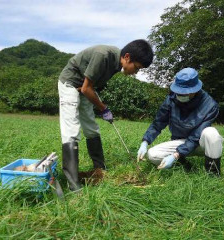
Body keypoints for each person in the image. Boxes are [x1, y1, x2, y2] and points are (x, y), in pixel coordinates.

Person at [58, 39, 154, 191]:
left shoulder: (117, 64)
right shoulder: (102, 56)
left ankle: (100, 170)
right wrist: (103, 108)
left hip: (83, 87)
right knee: (72, 130)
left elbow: (91, 86)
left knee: (91, 127)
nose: (135, 72)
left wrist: (101, 106)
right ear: (127, 57)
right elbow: (86, 88)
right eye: (136, 68)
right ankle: (73, 183)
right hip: (70, 83)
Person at [137, 67, 223, 176]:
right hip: (180, 142)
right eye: (178, 91)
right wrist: (145, 142)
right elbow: (158, 123)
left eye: (184, 93)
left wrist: (175, 155)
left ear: (195, 90)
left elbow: (196, 136)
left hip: (200, 143)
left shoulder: (210, 105)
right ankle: (182, 164)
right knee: (152, 155)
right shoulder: (171, 100)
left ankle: (213, 173)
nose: (180, 95)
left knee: (211, 133)